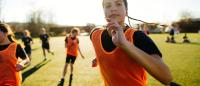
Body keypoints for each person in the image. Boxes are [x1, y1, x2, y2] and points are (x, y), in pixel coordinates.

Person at [90, 0, 172, 86]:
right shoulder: (95, 34)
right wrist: (99, 57)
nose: (113, 8)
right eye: (108, 5)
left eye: (118, 4)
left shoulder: (138, 36)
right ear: (103, 11)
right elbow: (104, 49)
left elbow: (166, 77)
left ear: (126, 11)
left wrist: (125, 44)